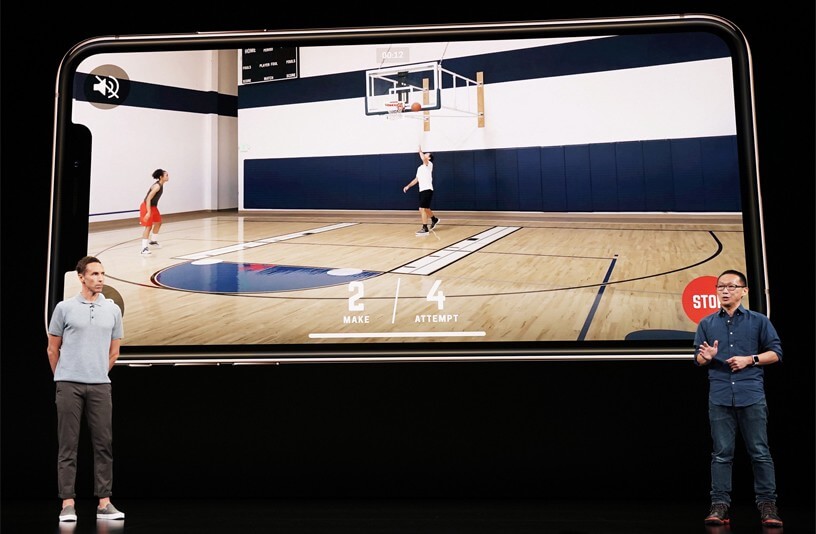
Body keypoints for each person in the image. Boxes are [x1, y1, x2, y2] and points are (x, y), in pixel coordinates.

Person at [694, 269, 783, 528]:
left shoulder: (758, 321)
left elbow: (776, 353)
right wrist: (707, 357)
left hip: (751, 395)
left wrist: (750, 359)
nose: (725, 291)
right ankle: (720, 504)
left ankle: (768, 505)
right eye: (721, 286)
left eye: (731, 287)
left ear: (744, 291)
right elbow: (698, 360)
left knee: (760, 452)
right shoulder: (707, 324)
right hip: (720, 396)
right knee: (721, 454)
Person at [47, 256, 126, 522]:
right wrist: (63, 376)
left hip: (100, 387)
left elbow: (114, 352)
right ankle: (67, 504)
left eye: (103, 273)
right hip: (69, 385)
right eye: (94, 274)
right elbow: (52, 348)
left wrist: (97, 372)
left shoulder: (113, 310)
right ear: (81, 277)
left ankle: (104, 503)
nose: (100, 278)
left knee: (104, 444)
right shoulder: (64, 308)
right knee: (68, 445)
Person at [402, 146, 439, 236]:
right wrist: (408, 186)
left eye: (427, 154)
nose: (425, 155)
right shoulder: (419, 168)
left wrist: (420, 151)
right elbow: (416, 179)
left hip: (428, 189)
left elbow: (424, 159)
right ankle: (434, 219)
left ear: (429, 158)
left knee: (422, 208)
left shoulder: (429, 164)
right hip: (421, 190)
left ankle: (425, 228)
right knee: (424, 208)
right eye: (424, 154)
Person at [139, 168, 169, 255]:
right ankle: (144, 248)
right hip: (146, 206)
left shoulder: (161, 184)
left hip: (153, 207)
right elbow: (148, 199)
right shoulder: (157, 186)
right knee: (148, 227)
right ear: (161, 177)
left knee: (158, 223)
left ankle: (153, 241)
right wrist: (148, 212)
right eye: (166, 175)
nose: (168, 176)